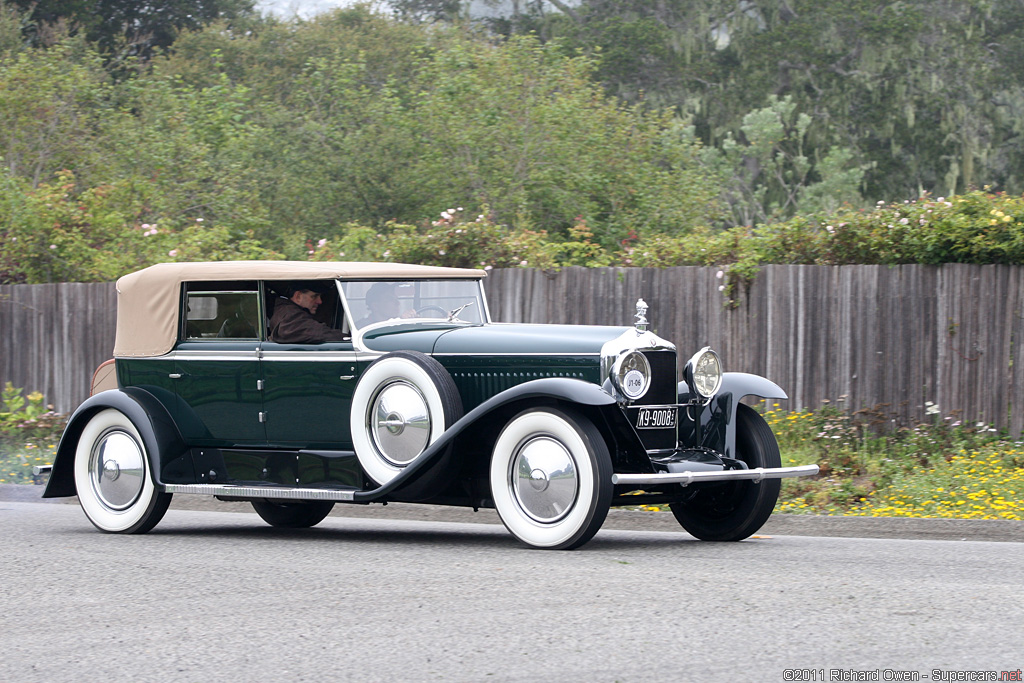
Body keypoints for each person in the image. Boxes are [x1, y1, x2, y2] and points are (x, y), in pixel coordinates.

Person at [268, 283, 348, 344]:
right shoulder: (290, 315)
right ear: (298, 296)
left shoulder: (287, 311)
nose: (320, 301)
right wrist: (349, 339)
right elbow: (317, 333)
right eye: (314, 296)